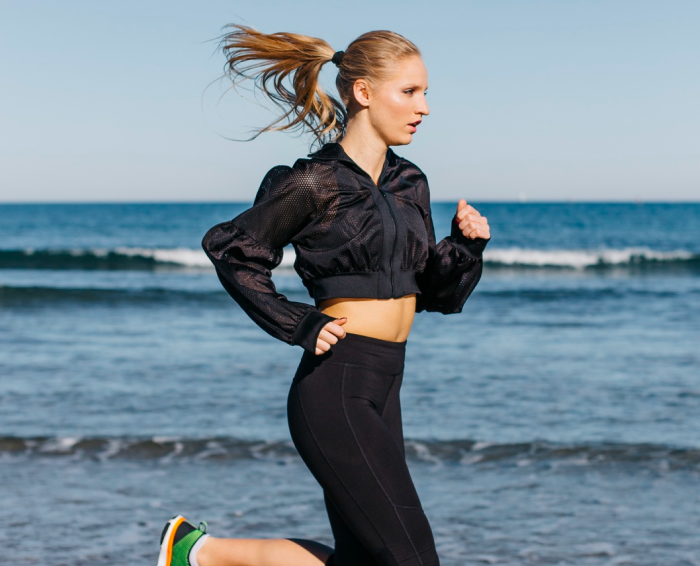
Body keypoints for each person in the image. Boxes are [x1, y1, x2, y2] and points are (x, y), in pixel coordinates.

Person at [157, 24, 491, 566]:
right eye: (410, 92)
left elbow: (429, 292)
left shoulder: (412, 183)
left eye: (426, 92)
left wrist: (466, 249)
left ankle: (198, 553)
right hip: (336, 386)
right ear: (363, 92)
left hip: (387, 382)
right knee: (413, 558)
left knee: (365, 560)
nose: (424, 107)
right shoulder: (315, 182)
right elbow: (234, 252)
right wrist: (299, 323)